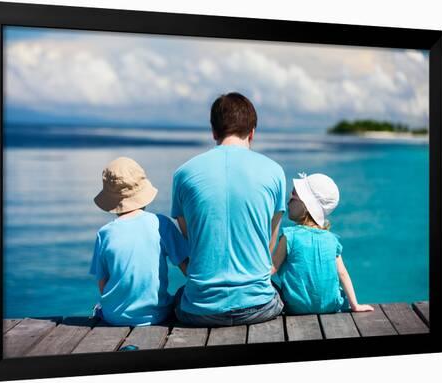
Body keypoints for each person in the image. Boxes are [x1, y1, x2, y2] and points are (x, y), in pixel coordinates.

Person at [172, 92, 286, 326]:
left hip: (200, 309)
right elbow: (269, 243)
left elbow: (189, 239)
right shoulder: (275, 172)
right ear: (252, 132)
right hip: (259, 306)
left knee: (177, 296)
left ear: (214, 131)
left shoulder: (183, 173)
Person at [89, 157, 189, 326]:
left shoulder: (104, 233)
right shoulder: (161, 224)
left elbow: (102, 284)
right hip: (157, 315)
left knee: (98, 307)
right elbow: (188, 269)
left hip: (114, 317)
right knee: (181, 294)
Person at [272, 172, 374, 314]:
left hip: (296, 307)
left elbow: (272, 269)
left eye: (293, 196)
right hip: (330, 306)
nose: (288, 201)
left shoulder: (289, 236)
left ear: (306, 205)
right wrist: (355, 305)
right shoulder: (332, 239)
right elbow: (342, 273)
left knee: (271, 285)